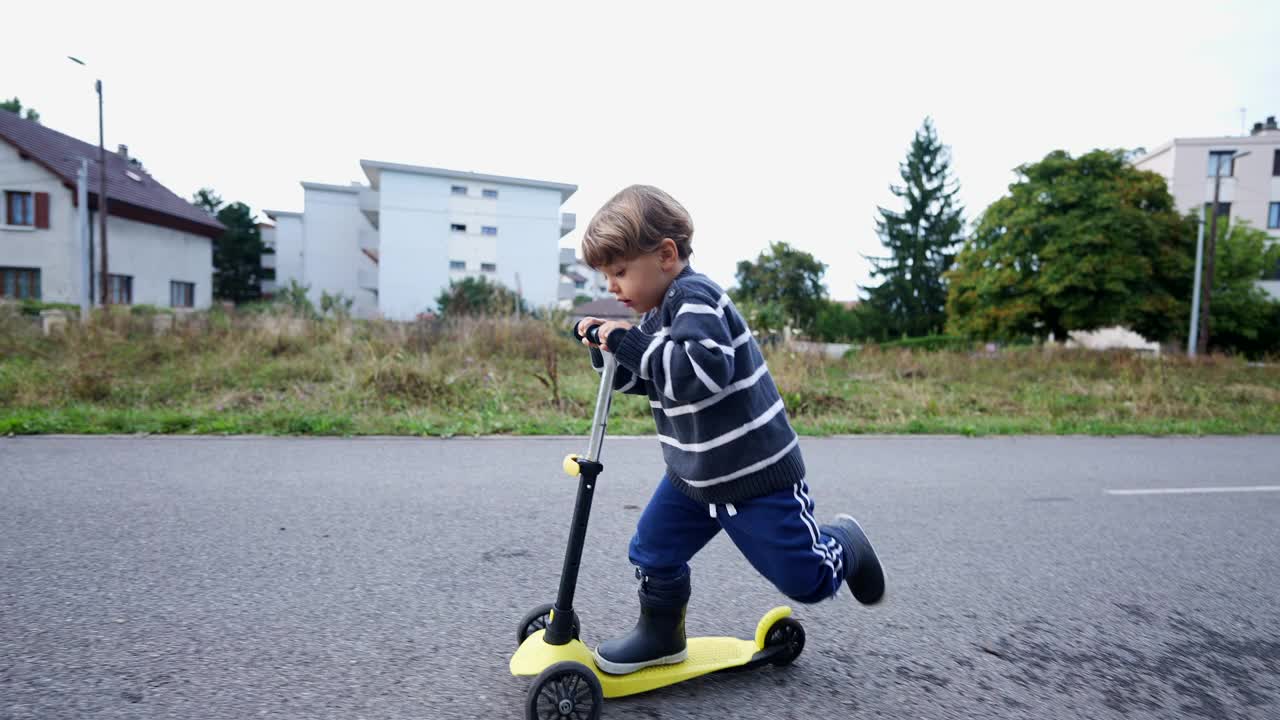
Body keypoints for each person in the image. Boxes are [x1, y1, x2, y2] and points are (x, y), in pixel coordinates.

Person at [573, 185, 885, 675]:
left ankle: (846, 544)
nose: (613, 286)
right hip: (694, 477)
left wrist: (630, 343)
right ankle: (661, 636)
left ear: (666, 255)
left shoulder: (698, 299)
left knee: (806, 579)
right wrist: (607, 349)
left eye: (619, 271)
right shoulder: (658, 314)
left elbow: (698, 373)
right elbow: (650, 376)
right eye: (607, 275)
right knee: (652, 548)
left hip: (753, 476)